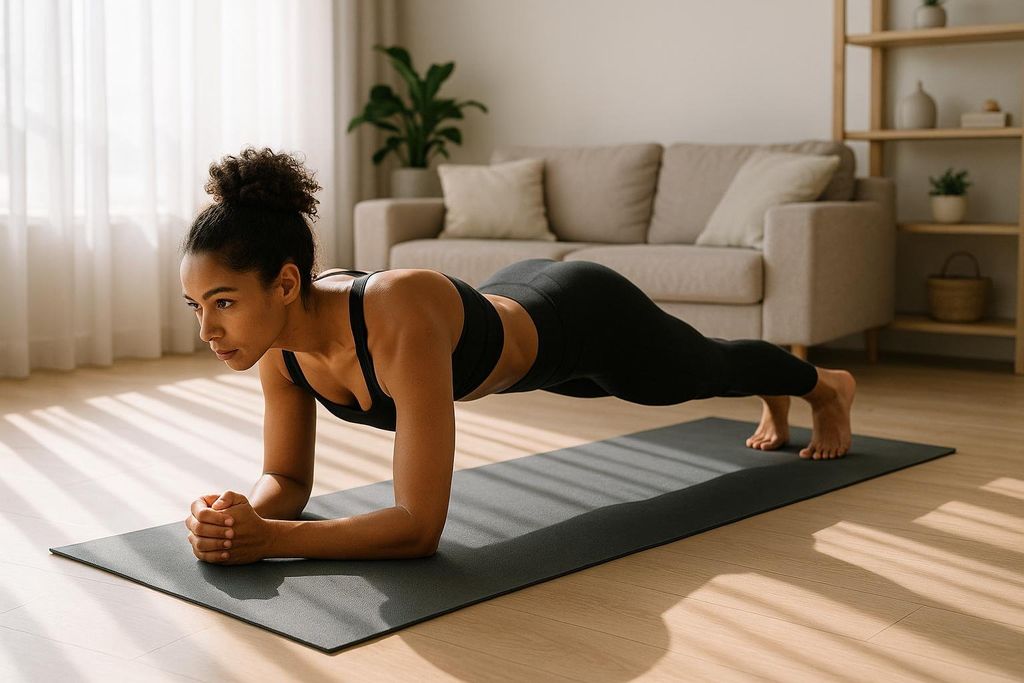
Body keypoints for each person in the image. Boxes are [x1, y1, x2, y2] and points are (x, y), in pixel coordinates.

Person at [180, 147, 856, 566]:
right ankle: (773, 386)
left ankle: (822, 386)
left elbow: (419, 528)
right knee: (709, 369)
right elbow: (287, 481)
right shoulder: (281, 352)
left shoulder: (395, 311)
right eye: (196, 307)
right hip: (521, 335)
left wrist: (269, 540)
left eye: (224, 301)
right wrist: (242, 514)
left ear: (287, 282)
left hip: (582, 318)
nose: (209, 328)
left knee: (703, 369)